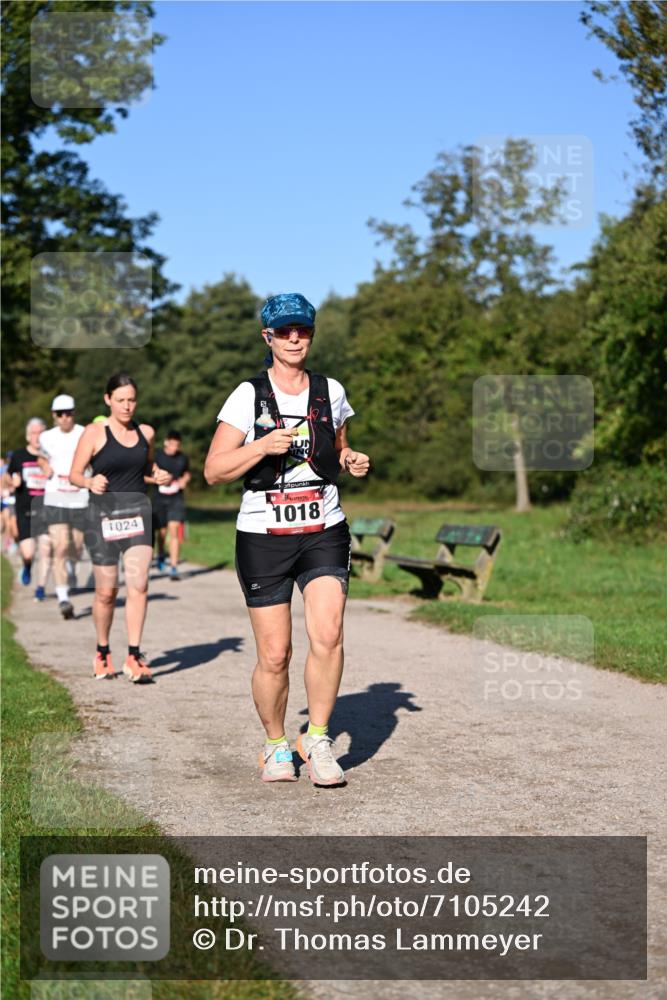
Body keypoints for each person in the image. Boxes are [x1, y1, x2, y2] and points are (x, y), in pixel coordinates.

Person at [205, 292, 370, 786]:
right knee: (275, 654)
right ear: (268, 337)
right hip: (264, 536)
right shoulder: (247, 395)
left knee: (329, 633)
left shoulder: (330, 390)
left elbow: (335, 446)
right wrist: (260, 446)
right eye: (284, 331)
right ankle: (277, 743)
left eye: (302, 330)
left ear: (311, 334)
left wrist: (349, 458)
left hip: (323, 527)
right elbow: (214, 471)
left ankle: (317, 738)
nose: (294, 338)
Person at [70, 373, 173, 683]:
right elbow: (74, 474)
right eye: (121, 400)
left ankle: (134, 654)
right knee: (106, 592)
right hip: (102, 517)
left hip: (138, 514)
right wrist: (89, 481)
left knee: (139, 584)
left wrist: (159, 474)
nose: (127, 406)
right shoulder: (93, 433)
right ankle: (102, 651)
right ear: (108, 400)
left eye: (131, 400)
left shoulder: (147, 432)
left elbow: (146, 467)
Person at [38, 395, 89, 619]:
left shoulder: (84, 433)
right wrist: (44, 465)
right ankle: (63, 598)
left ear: (74, 413)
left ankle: (70, 568)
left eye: (69, 412)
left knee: (76, 547)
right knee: (60, 547)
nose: (65, 418)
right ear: (54, 416)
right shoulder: (46, 437)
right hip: (56, 496)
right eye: (61, 414)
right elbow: (40, 456)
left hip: (79, 496)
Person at [7, 418, 53, 597]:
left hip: (47, 508)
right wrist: (13, 481)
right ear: (28, 436)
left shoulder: (50, 455)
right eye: (34, 433)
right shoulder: (18, 456)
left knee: (46, 549)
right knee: (28, 552)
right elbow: (9, 477)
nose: (37, 436)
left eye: (41, 432)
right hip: (25, 509)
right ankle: (27, 566)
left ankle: (40, 587)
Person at [150, 430, 191, 579]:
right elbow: (149, 473)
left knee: (174, 530)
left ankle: (173, 567)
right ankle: (160, 554)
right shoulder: (157, 456)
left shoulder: (183, 458)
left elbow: (187, 473)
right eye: (172, 443)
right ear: (166, 442)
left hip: (176, 499)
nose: (175, 447)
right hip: (159, 498)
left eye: (177, 444)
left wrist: (184, 480)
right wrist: (158, 479)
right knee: (161, 532)